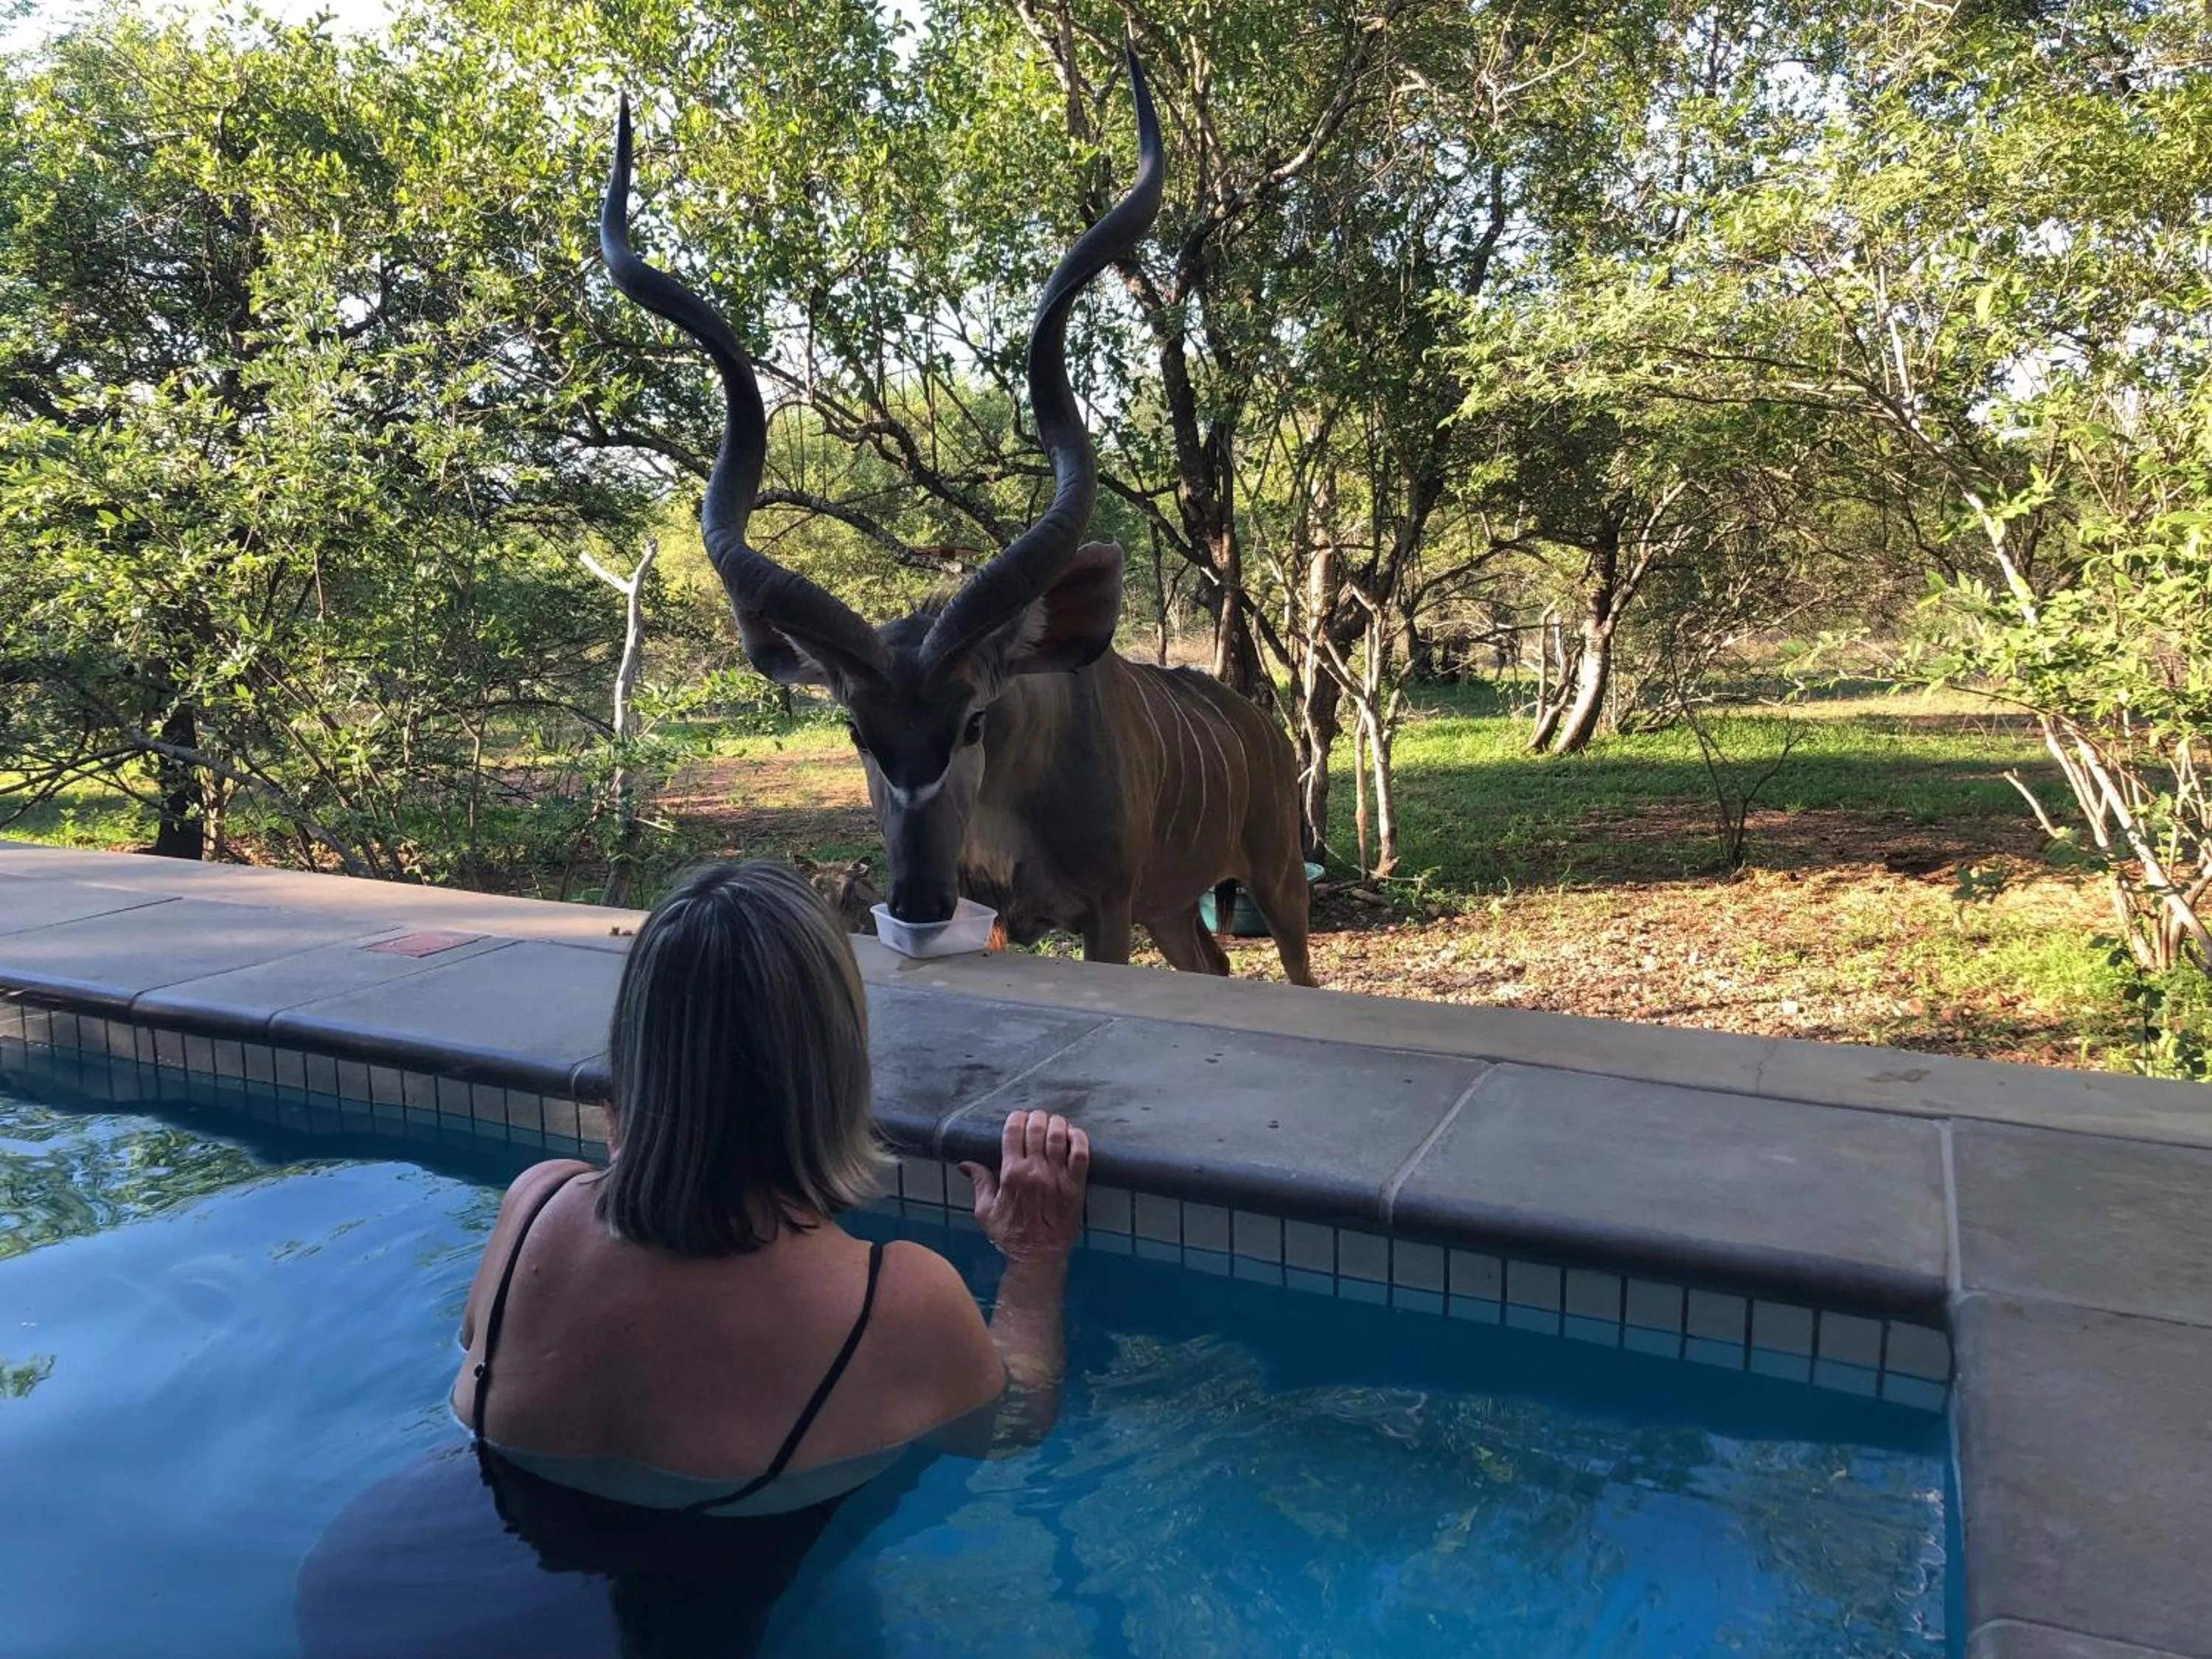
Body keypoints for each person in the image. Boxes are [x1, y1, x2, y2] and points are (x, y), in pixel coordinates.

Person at [298, 860, 1091, 1658]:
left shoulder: (535, 1208)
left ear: (635, 1052)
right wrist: (1035, 1256)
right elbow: (1011, 1425)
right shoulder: (893, 1301)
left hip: (382, 1591)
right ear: (833, 1065)